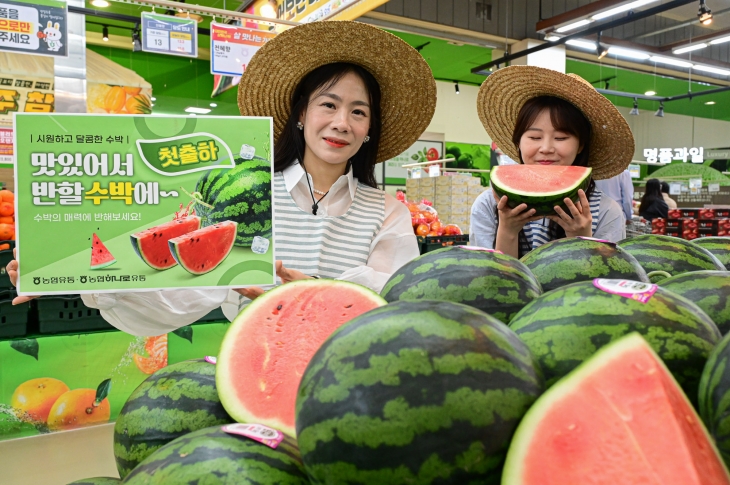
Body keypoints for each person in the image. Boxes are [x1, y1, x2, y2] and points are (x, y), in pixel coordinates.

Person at [7, 21, 437, 336]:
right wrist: (76, 278)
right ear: (302, 115)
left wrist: (322, 292)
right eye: (328, 105)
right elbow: (179, 300)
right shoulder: (248, 194)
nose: (342, 122)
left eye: (358, 112)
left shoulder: (387, 211)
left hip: (357, 367)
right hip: (257, 355)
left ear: (368, 130)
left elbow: (403, 299)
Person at [470, 66, 633, 258]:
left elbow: (601, 284)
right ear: (518, 143)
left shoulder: (606, 212)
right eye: (535, 137)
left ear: (580, 145)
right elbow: (491, 281)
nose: (546, 148)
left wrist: (582, 240)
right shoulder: (489, 205)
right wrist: (508, 231)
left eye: (561, 138)